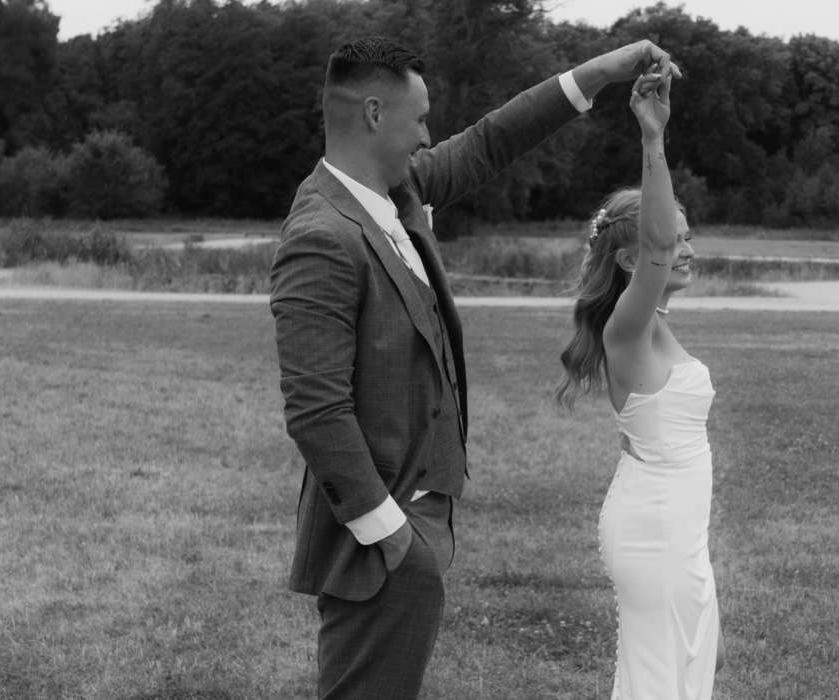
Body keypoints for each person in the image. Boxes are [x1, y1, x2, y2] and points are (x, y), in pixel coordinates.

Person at [269, 35, 680, 699]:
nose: (428, 136)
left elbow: (493, 140)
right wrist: (391, 534)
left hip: (419, 525)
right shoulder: (322, 234)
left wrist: (599, 73)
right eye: (420, 119)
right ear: (373, 114)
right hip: (382, 542)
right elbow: (316, 410)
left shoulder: (399, 192)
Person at [556, 69, 720, 698]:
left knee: (688, 673)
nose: (686, 248)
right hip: (653, 532)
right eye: (676, 239)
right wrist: (653, 139)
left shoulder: (654, 325)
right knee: (656, 682)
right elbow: (655, 246)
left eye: (687, 235)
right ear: (631, 261)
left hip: (681, 532)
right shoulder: (627, 328)